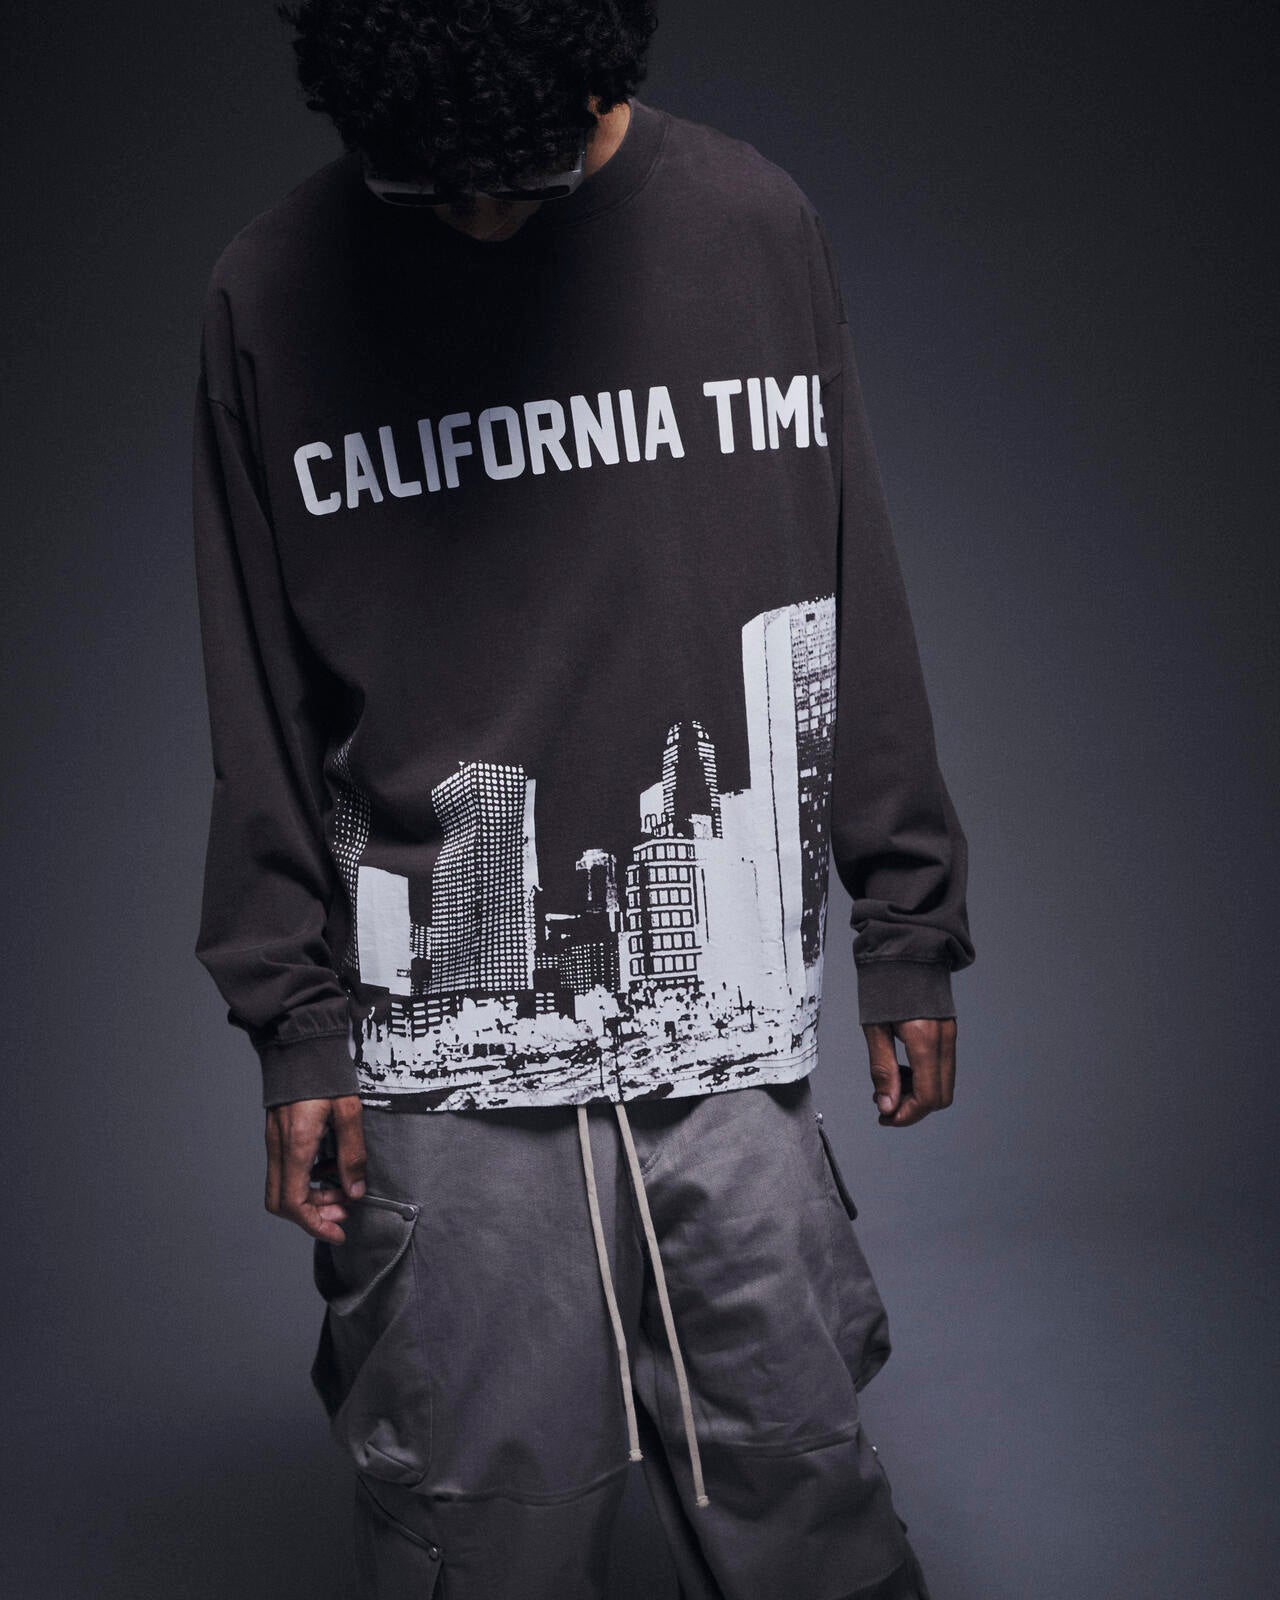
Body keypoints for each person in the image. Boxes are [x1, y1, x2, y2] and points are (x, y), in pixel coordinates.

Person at [189, 3, 975, 1595]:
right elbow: (257, 703)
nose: (483, 222)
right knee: (478, 1532)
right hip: (439, 1080)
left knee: (806, 1508)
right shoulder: (271, 296)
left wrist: (908, 918)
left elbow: (846, 590)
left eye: (530, 181)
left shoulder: (753, 228)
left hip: (731, 1050)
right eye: (427, 189)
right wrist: (295, 1029)